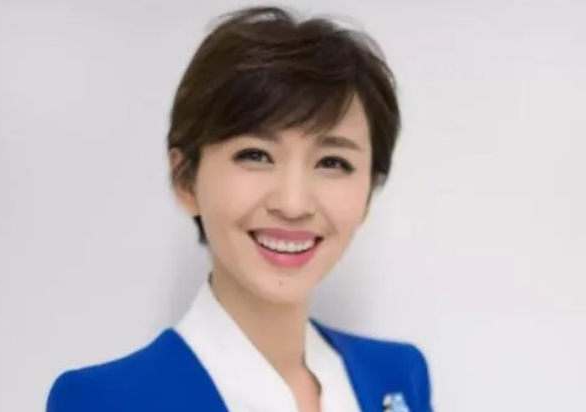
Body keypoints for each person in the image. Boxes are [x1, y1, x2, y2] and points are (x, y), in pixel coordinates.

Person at [46, 6, 433, 412]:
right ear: (185, 178)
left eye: (332, 162)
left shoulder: (397, 375)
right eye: (255, 155)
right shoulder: (105, 400)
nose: (293, 204)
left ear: (369, 190)